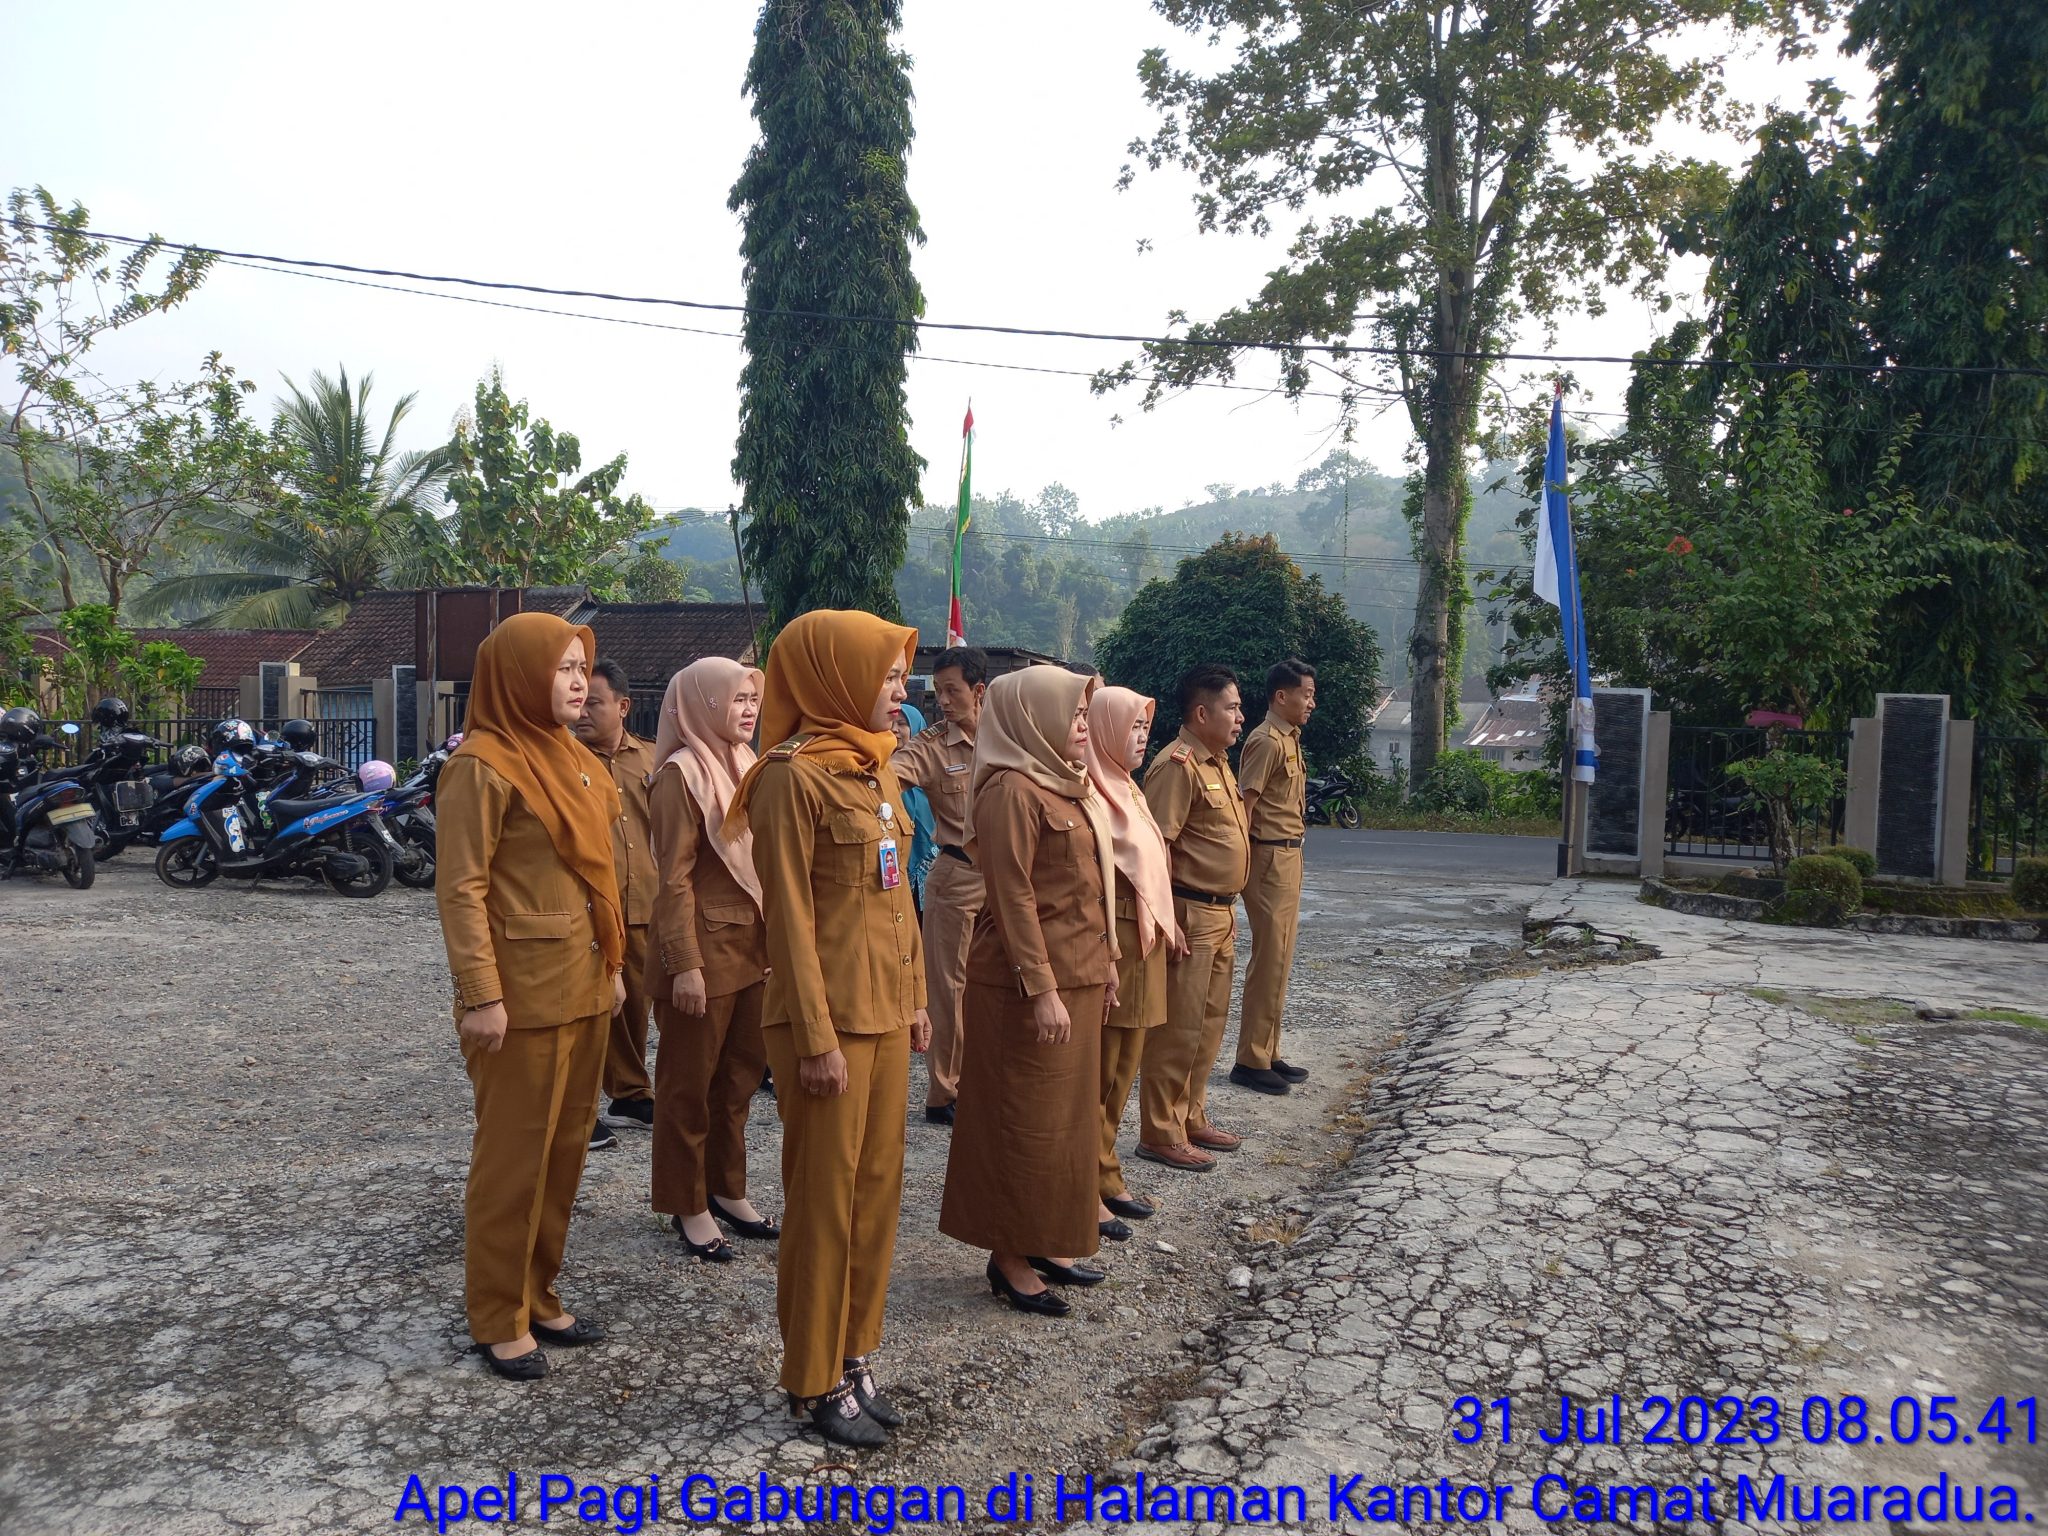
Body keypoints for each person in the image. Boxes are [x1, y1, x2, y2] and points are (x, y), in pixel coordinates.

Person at [724, 609, 933, 1449]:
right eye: (886, 675)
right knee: (823, 1202)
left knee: (876, 1195)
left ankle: (856, 1354)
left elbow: (898, 898)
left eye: (900, 676)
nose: (899, 691)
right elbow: (788, 919)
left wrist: (918, 997)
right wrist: (812, 1039)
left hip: (883, 1013)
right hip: (828, 1024)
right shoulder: (791, 777)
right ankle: (812, 1378)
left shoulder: (875, 768)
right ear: (835, 677)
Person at [435, 612, 628, 1382]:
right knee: (514, 1160)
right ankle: (497, 1313)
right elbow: (462, 889)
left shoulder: (575, 759)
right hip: (520, 996)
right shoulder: (481, 766)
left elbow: (601, 875)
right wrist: (481, 994)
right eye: (563, 668)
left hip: (583, 984)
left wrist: (613, 963)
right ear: (518, 674)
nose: (579, 682)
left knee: (566, 1152)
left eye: (583, 668)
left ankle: (539, 1292)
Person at [939, 668, 1117, 1317]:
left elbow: (1088, 885)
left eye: (1084, 714)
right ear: (1032, 718)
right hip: (1023, 986)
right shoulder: (1009, 791)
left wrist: (1108, 960)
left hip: (1078, 975)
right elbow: (1012, 896)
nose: (1082, 726)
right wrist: (1041, 989)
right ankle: (1007, 1255)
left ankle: (1043, 1238)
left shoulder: (1063, 783)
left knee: (1063, 1123)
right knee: (1018, 1121)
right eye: (1073, 714)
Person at [647, 658, 779, 1262]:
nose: (748, 710)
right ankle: (686, 1201)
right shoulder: (681, 775)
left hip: (750, 948)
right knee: (688, 1086)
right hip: (702, 952)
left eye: (752, 699)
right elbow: (672, 879)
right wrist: (683, 964)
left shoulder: (746, 763)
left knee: (739, 1080)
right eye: (736, 700)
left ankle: (727, 1188)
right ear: (702, 704)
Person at [1135, 663, 1250, 1173]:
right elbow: (1156, 845)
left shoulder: (1217, 762)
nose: (1240, 717)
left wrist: (1228, 904)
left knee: (1208, 1024)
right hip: (1189, 912)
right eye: (1232, 708)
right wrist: (1168, 918)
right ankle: (1160, 1131)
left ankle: (1190, 1115)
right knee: (1178, 1029)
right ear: (1202, 713)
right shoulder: (1177, 766)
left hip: (1220, 913)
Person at [1082, 684, 1187, 1238]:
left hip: (1144, 939)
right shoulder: (1091, 793)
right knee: (1100, 1070)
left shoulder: (1130, 789)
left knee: (1126, 1065)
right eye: (1132, 728)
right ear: (1105, 731)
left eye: (1146, 727)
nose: (1142, 737)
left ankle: (1106, 1172)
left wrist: (1169, 923)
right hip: (1115, 942)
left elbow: (1154, 869)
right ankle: (1089, 1181)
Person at [887, 646, 988, 1127]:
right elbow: (890, 774)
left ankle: (985, 1078)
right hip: (958, 876)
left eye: (952, 691)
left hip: (1007, 880)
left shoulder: (1009, 737)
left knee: (997, 980)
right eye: (938, 691)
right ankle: (944, 1091)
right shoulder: (932, 746)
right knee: (949, 987)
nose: (943, 701)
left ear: (979, 690)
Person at [573, 658, 660, 1142]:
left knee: (637, 1006)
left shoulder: (653, 758)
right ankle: (580, 1107)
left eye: (595, 702)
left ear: (623, 707)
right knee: (592, 1007)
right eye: (580, 702)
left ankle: (630, 1093)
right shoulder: (566, 761)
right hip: (591, 906)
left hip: (646, 901)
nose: (583, 711)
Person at [1230, 658, 1318, 1096]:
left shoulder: (1289, 738)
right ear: (1282, 696)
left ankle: (1267, 1050)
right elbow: (1245, 807)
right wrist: (1241, 865)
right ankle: (1250, 1060)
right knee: (1269, 960)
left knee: (1280, 960)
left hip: (1289, 856)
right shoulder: (1265, 741)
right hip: (1267, 857)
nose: (1311, 703)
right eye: (1306, 694)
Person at [890, 703, 940, 911]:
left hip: (932, 864)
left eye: (902, 724)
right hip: (893, 864)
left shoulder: (933, 769)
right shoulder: (879, 772)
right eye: (891, 724)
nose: (894, 729)